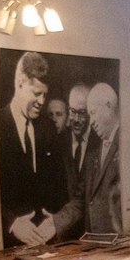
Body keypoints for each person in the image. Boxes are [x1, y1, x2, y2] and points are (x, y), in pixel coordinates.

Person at [0, 52, 64, 246]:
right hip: (9, 242)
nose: (42, 102)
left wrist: (54, 219)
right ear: (20, 83)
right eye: (36, 93)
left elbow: (58, 182)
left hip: (46, 240)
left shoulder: (47, 127)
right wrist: (12, 223)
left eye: (45, 94)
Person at [51, 81, 122, 239]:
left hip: (118, 242)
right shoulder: (95, 151)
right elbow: (82, 198)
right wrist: (54, 223)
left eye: (92, 113)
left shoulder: (127, 143)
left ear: (109, 105)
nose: (91, 121)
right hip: (94, 241)